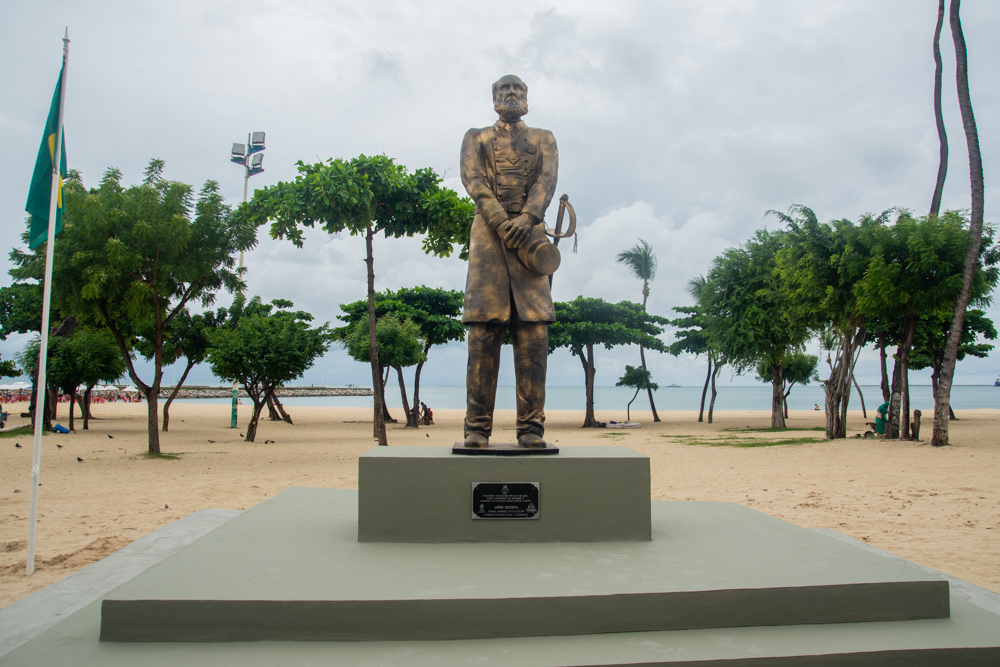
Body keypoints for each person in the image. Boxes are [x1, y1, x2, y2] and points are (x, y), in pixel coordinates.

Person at [460, 75, 559, 449]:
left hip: (531, 237)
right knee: (482, 336)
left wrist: (529, 216)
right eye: (504, 91)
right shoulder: (477, 137)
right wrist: (502, 222)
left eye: (518, 90)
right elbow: (473, 179)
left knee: (534, 335)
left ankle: (532, 429)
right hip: (488, 238)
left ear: (527, 99)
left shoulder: (544, 138)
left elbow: (547, 180)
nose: (512, 95)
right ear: (494, 99)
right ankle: (476, 428)